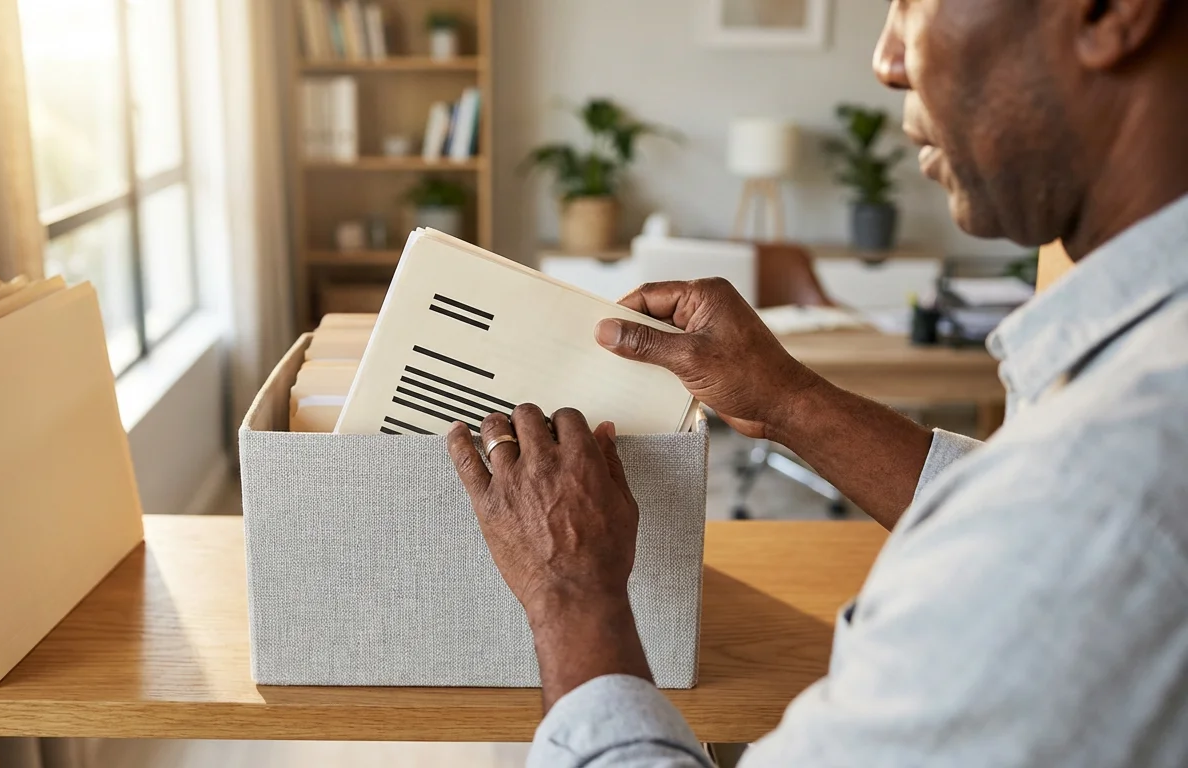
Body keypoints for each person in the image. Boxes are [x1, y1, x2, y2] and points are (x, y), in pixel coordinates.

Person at [444, 0, 1188, 765]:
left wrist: (569, 590)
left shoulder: (1109, 489)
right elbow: (1005, 497)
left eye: (914, 4)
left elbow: (1054, 518)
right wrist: (787, 399)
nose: (887, 59)